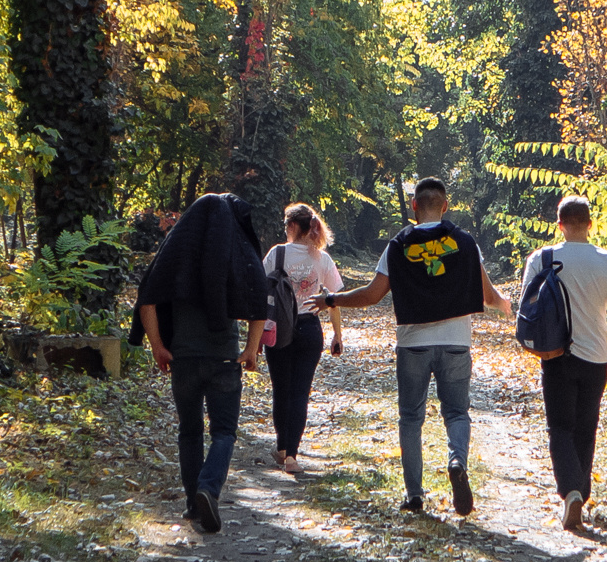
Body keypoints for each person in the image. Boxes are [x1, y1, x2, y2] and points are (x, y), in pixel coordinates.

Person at [310, 176, 509, 517]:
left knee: (410, 418)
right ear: (445, 207)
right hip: (456, 343)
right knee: (457, 413)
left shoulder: (398, 244)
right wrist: (506, 304)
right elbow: (488, 296)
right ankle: (457, 460)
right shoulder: (465, 242)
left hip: (413, 345)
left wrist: (331, 299)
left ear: (415, 205)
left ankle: (414, 495)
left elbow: (372, 295)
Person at [132, 193, 268, 534]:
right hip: (224, 358)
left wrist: (158, 347)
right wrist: (251, 350)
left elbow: (146, 298)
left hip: (184, 360)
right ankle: (209, 487)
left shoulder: (175, 254)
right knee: (223, 432)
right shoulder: (235, 255)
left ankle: (194, 503)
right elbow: (258, 299)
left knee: (189, 431)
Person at [521, 194, 607, 532]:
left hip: (556, 355)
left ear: (559, 224)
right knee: (586, 427)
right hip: (596, 358)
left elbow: (527, 312)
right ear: (590, 224)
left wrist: (534, 349)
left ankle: (571, 492)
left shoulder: (541, 258)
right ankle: (582, 491)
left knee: (559, 427)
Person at [263, 203, 347, 474]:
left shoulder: (276, 254)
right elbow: (334, 300)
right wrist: (337, 334)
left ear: (292, 226)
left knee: (281, 389)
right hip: (310, 328)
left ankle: (282, 447)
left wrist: (254, 338)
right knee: (300, 392)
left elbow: (261, 292)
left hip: (279, 329)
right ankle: (291, 456)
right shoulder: (322, 258)